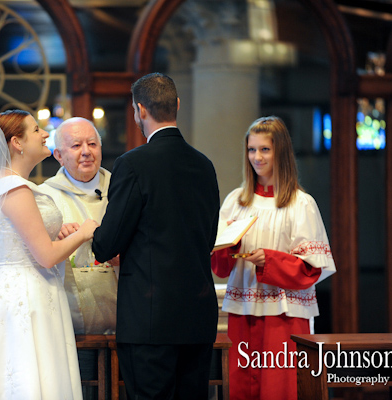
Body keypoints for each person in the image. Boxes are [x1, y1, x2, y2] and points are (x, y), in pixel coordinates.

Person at [0, 110, 98, 399]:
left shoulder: (10, 185)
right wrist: (84, 233)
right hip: (24, 297)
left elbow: (27, 240)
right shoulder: (13, 189)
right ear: (17, 143)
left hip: (24, 291)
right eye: (37, 130)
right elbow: (46, 257)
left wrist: (59, 231)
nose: (45, 134)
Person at [91, 72, 220, 399]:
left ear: (139, 111)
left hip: (150, 320)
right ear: (176, 105)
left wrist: (92, 233)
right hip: (198, 317)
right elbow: (208, 239)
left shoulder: (133, 164)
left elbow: (107, 244)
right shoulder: (204, 165)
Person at [210, 116, 336, 400]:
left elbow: (311, 270)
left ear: (281, 152)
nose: (257, 157)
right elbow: (219, 267)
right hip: (242, 312)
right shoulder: (235, 202)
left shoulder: (300, 204)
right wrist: (230, 248)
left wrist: (270, 260)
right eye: (252, 150)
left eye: (264, 149)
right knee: (241, 386)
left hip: (284, 314)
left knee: (279, 389)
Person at [40, 117, 117, 335]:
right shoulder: (45, 197)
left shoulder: (121, 189)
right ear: (59, 156)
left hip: (124, 314)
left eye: (92, 144)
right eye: (76, 145)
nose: (86, 151)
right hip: (69, 320)